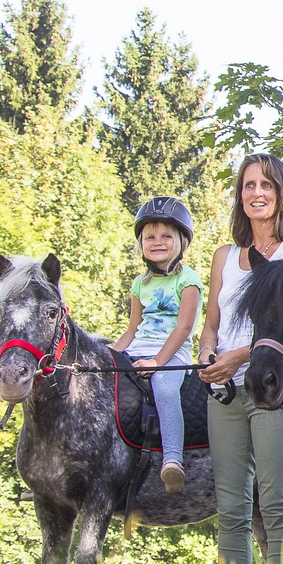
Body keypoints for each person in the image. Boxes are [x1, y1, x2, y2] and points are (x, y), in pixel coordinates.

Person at [196, 155, 283, 564]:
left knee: (279, 508)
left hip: (276, 394)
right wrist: (208, 354)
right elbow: (211, 323)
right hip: (224, 393)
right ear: (239, 195)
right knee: (231, 512)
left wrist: (239, 356)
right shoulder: (224, 257)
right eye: (248, 185)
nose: (256, 193)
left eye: (266, 185)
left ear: (281, 194)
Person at [112, 196, 203, 493]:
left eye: (166, 236)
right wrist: (110, 357)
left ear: (180, 242)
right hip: (139, 349)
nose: (157, 242)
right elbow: (133, 328)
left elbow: (184, 327)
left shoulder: (188, 280)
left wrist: (158, 362)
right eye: (149, 237)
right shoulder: (139, 283)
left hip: (173, 354)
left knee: (164, 388)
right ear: (141, 244)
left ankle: (172, 460)